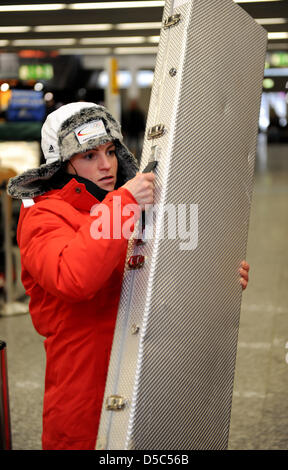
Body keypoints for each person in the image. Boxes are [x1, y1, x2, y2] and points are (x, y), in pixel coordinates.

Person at [7, 102, 249, 450]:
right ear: (63, 164)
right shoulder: (44, 218)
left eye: (109, 151)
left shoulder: (127, 206)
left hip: (147, 380)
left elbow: (169, 277)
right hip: (85, 396)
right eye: (89, 156)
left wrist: (218, 277)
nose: (106, 165)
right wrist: (123, 204)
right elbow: (73, 277)